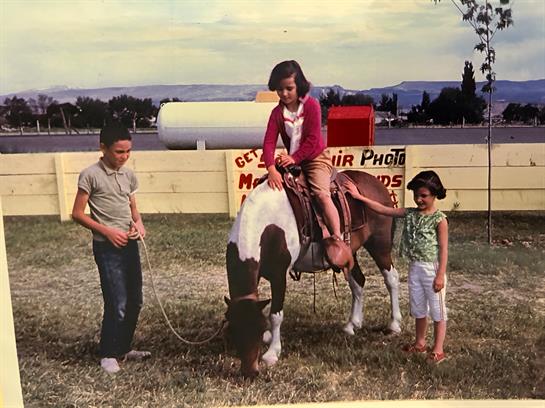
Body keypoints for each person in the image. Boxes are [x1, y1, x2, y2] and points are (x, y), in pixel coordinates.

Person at [343, 170, 449, 364]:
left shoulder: (440, 220)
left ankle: (439, 349)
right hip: (415, 267)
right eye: (416, 195)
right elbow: (383, 210)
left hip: (432, 268)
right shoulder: (409, 213)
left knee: (437, 309)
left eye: (424, 196)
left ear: (434, 195)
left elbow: (443, 249)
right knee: (418, 308)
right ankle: (420, 342)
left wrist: (440, 274)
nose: (419, 199)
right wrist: (358, 197)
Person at [72, 122, 150, 374]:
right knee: (117, 302)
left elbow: (134, 211)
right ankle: (107, 353)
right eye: (119, 152)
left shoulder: (128, 175)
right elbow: (77, 213)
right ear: (103, 148)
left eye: (128, 151)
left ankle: (123, 348)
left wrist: (139, 226)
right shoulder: (90, 175)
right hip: (107, 248)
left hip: (129, 245)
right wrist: (108, 232)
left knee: (135, 301)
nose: (124, 157)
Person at [263, 60, 353, 274]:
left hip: (314, 158)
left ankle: (338, 237)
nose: (284, 94)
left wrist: (294, 158)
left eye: (289, 88)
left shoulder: (311, 106)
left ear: (299, 86)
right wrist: (271, 169)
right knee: (270, 191)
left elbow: (313, 140)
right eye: (279, 89)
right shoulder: (277, 114)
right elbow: (268, 142)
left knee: (321, 194)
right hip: (292, 160)